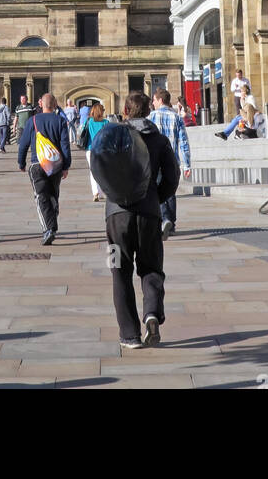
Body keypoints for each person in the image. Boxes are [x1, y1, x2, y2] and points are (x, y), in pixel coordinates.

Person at [105, 91, 181, 348]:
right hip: (149, 214)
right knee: (151, 267)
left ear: (126, 111)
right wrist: (156, 199)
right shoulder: (159, 141)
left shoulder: (114, 135)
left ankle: (129, 334)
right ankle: (151, 313)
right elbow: (172, 177)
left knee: (118, 271)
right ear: (149, 111)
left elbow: (100, 168)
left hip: (116, 217)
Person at [17, 92, 71, 246]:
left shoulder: (32, 120)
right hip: (55, 165)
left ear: (41, 104)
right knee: (53, 195)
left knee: (41, 196)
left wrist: (21, 162)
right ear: (54, 105)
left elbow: (23, 144)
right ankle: (52, 220)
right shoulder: (60, 120)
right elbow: (65, 146)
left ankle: (48, 229)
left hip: (37, 164)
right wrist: (66, 166)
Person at [148, 89, 191, 238]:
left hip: (156, 161)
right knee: (171, 193)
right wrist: (187, 164)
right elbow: (184, 142)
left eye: (154, 100)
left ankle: (165, 218)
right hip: (172, 160)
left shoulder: (151, 117)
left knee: (157, 192)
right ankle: (171, 225)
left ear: (160, 100)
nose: (153, 103)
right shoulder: (177, 117)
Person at [83, 102, 108, 201]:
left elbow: (83, 132)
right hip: (102, 149)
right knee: (102, 171)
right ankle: (101, 192)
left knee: (92, 171)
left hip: (90, 149)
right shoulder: (106, 122)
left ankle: (96, 192)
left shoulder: (89, 121)